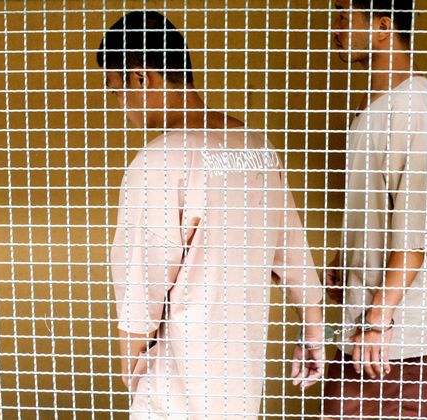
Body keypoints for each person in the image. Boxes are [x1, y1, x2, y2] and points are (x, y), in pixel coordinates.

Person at [99, 11, 324, 419]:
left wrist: (132, 375)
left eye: (115, 90)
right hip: (239, 387)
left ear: (140, 78)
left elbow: (140, 288)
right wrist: (313, 331)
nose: (120, 105)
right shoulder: (256, 147)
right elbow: (292, 253)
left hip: (176, 390)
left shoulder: (157, 162)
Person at [323, 0, 427, 418]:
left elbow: (418, 232)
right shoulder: (376, 106)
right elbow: (378, 204)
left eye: (344, 15)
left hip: (395, 331)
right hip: (365, 316)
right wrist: (343, 265)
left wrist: (379, 319)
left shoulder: (417, 111)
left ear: (381, 26)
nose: (335, 27)